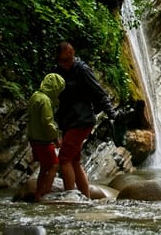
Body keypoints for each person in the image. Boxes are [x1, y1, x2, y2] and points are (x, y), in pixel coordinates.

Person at [53, 41, 116, 198]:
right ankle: (85, 197)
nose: (66, 64)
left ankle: (71, 197)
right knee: (74, 160)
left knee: (64, 159)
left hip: (82, 119)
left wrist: (111, 114)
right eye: (62, 61)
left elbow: (99, 92)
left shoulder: (82, 69)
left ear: (73, 54)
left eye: (68, 60)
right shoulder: (57, 72)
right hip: (68, 120)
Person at [27, 73, 65, 202]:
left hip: (33, 138)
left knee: (44, 166)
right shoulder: (45, 100)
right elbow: (48, 122)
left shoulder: (35, 96)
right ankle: (45, 194)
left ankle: (38, 193)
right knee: (54, 165)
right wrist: (55, 139)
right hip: (43, 139)